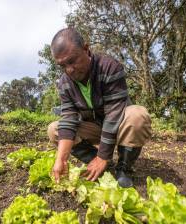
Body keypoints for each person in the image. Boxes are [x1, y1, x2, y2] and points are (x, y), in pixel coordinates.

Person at [48, 28, 152, 188]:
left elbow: (113, 114)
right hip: (95, 128)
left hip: (119, 125)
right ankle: (99, 163)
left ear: (86, 49)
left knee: (138, 115)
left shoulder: (109, 67)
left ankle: (123, 168)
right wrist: (60, 160)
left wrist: (103, 155)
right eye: (63, 65)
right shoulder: (64, 83)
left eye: (72, 60)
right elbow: (69, 118)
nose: (69, 70)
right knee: (54, 129)